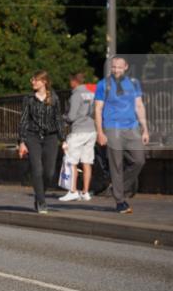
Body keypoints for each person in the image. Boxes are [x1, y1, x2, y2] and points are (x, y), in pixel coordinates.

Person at [94, 56, 148, 214]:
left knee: (139, 160)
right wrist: (100, 132)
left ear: (126, 67)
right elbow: (98, 109)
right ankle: (120, 201)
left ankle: (118, 188)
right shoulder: (103, 84)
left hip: (132, 128)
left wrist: (145, 128)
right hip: (112, 128)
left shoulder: (134, 83)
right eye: (113, 67)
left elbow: (139, 105)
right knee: (116, 165)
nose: (116, 70)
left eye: (119, 67)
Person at [18, 70, 65, 214]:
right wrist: (22, 141)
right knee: (37, 170)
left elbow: (58, 119)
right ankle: (41, 202)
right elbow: (24, 120)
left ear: (44, 82)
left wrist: (63, 139)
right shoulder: (28, 99)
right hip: (33, 137)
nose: (32, 82)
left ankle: (39, 196)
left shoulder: (54, 98)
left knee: (49, 173)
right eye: (32, 79)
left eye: (35, 80)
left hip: (51, 138)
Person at [60, 72, 95, 202]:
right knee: (87, 162)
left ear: (74, 81)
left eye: (70, 81)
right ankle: (85, 192)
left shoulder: (76, 94)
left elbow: (71, 116)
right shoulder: (91, 93)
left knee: (71, 161)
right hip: (91, 130)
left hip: (78, 131)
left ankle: (73, 191)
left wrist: (63, 117)